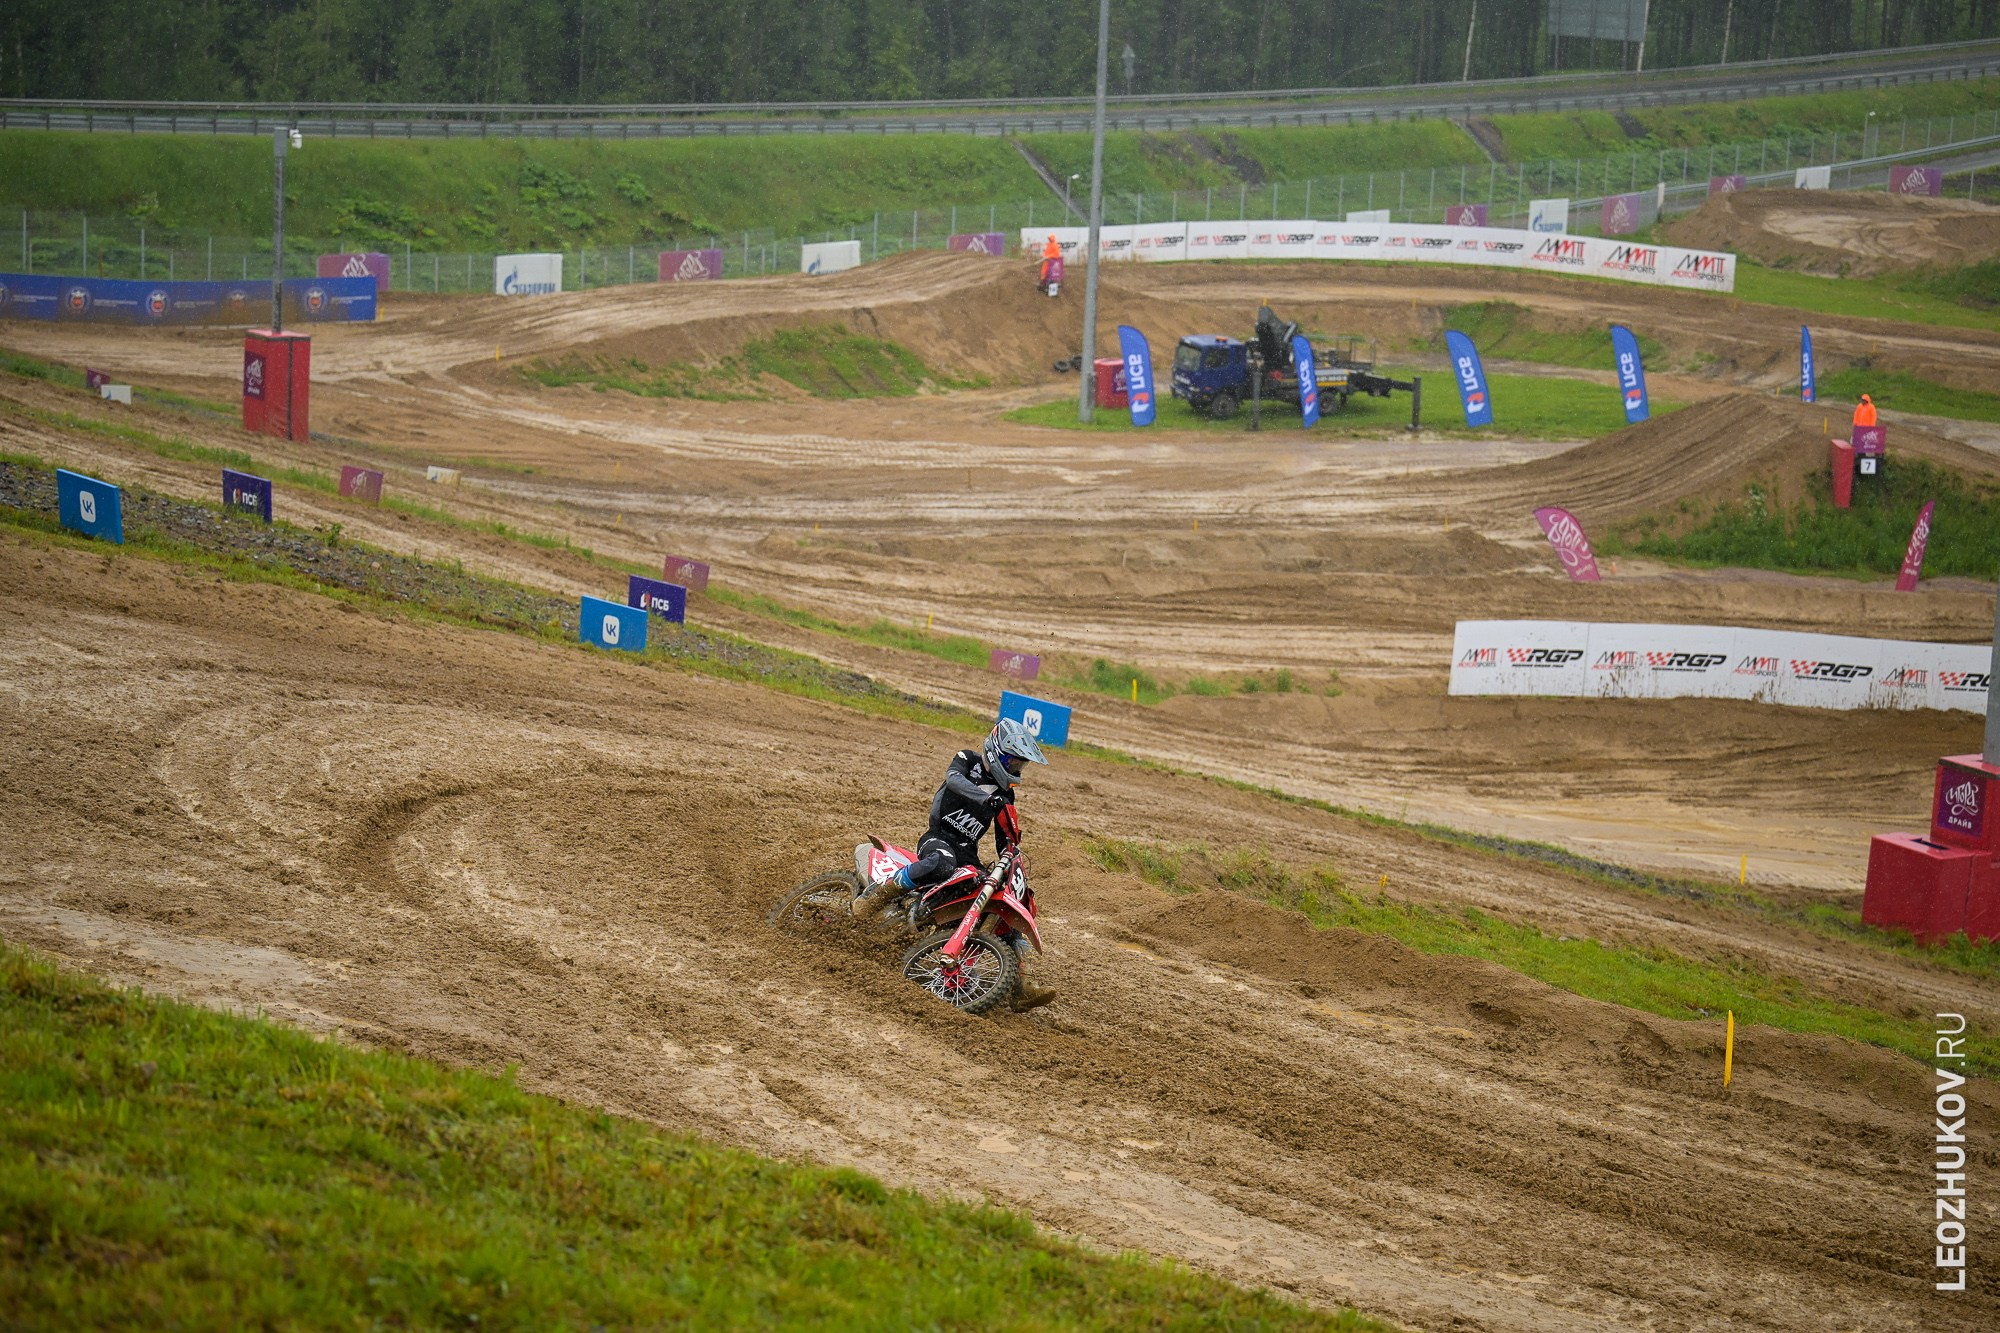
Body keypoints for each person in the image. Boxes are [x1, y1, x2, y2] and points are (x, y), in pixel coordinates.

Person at [852, 719, 1056, 1010]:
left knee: (995, 899)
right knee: (941, 862)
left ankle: (1017, 985)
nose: (1015, 769)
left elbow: (1004, 839)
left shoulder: (1005, 795)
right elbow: (953, 780)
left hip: (967, 854)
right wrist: (988, 799)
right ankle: (878, 893)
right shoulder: (968, 760)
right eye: (1013, 761)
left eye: (1020, 765)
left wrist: (1009, 853)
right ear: (997, 750)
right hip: (939, 839)